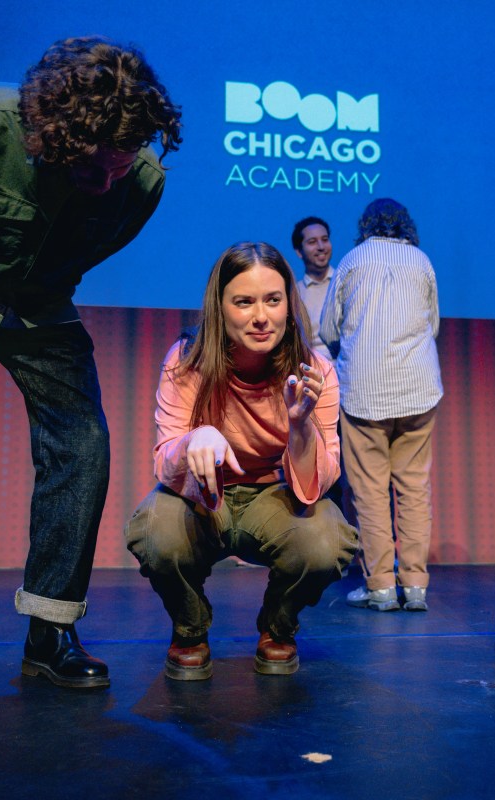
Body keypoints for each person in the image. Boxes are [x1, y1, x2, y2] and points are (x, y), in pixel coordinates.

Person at [0, 35, 182, 696]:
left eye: (120, 165)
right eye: (92, 169)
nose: (109, 181)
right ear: (51, 130)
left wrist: (41, 284)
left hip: (37, 298)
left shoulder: (141, 181)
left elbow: (93, 243)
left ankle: (50, 631)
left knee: (83, 443)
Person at [124, 242, 357, 680]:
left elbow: (314, 486)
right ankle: (190, 630)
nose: (260, 316)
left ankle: (277, 628)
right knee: (155, 531)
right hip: (201, 497)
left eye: (273, 300)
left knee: (327, 542)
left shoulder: (316, 371)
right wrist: (197, 438)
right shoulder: (186, 359)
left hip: (275, 496)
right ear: (220, 306)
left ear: (290, 303)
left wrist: (300, 426)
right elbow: (164, 462)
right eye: (243, 302)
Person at [321, 198, 443, 612]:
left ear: (366, 225)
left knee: (370, 494)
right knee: (414, 489)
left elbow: (327, 328)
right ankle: (415, 586)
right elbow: (434, 325)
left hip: (364, 391)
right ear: (405, 225)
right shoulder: (422, 261)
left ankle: (381, 587)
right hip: (418, 388)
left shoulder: (352, 261)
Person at [292, 216, 335, 364]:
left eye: (325, 239)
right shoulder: (294, 294)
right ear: (299, 251)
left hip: (348, 375)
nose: (321, 246)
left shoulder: (347, 283)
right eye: (312, 242)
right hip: (312, 374)